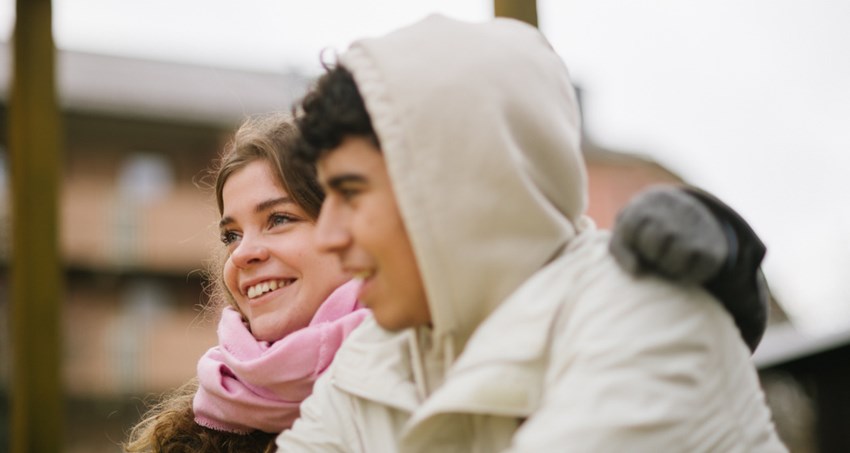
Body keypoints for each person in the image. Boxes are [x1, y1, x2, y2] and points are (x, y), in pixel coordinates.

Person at [278, 15, 785, 452]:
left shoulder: (646, 311)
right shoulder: (369, 364)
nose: (328, 235)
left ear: (454, 182)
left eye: (351, 192)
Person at [124, 113, 368, 452]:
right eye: (232, 235)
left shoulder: (424, 378)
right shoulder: (184, 438)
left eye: (279, 219)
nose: (241, 254)